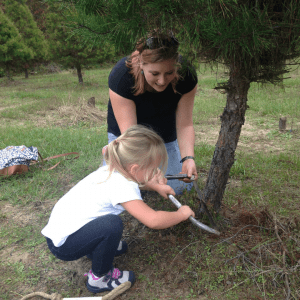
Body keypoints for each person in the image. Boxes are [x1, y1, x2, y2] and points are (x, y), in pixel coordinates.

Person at [41, 125, 195, 294]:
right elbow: (153, 220)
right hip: (65, 246)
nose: (155, 173)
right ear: (134, 169)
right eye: (152, 169)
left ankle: (97, 249)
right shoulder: (123, 186)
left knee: (107, 226)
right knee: (112, 225)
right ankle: (100, 278)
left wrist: (156, 187)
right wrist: (181, 214)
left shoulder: (114, 167)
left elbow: (138, 180)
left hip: (62, 232)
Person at [107, 31, 198, 194]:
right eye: (155, 73)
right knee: (126, 188)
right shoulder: (121, 77)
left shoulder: (187, 75)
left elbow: (185, 125)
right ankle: (112, 158)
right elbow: (131, 136)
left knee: (179, 188)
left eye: (169, 73)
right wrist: (147, 171)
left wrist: (188, 158)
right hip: (129, 137)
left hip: (164, 136)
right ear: (141, 63)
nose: (162, 81)